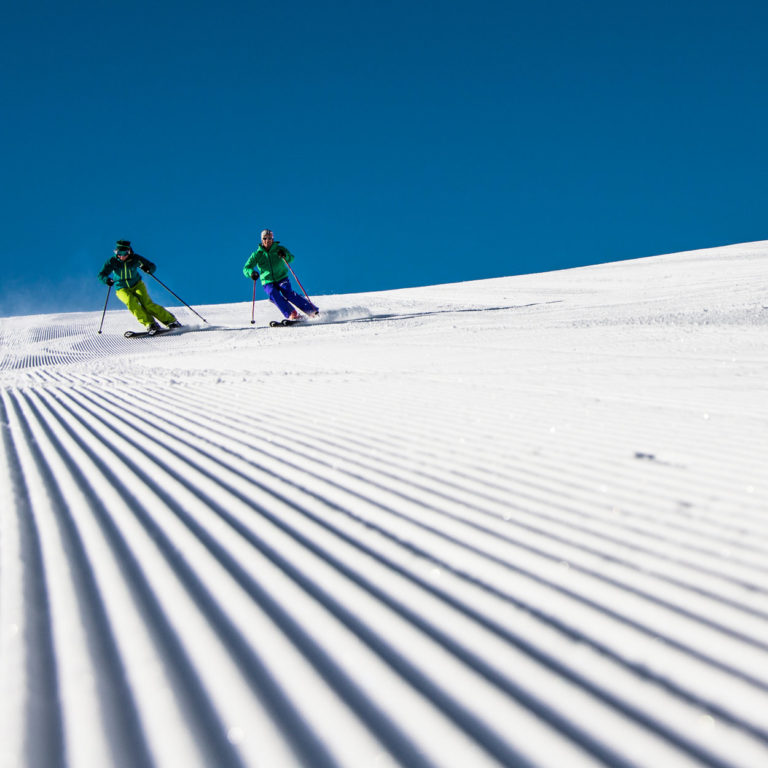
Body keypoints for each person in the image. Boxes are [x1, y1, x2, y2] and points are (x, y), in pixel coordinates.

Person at [98, 240, 182, 334]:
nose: (122, 256)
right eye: (119, 253)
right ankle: (150, 324)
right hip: (121, 287)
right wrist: (106, 280)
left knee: (147, 304)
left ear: (129, 251)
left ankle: (171, 321)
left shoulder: (135, 258)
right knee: (131, 303)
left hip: (137, 284)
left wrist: (148, 269)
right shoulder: (112, 261)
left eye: (125, 253)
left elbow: (152, 266)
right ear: (116, 252)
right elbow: (101, 274)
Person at [243, 229, 319, 321]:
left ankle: (311, 310)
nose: (268, 240)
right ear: (262, 240)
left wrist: (285, 255)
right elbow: (246, 268)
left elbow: (291, 258)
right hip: (267, 281)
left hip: (281, 277)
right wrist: (251, 273)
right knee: (273, 293)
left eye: (270, 238)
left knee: (287, 292)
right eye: (265, 238)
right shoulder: (257, 254)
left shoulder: (279, 249)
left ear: (273, 239)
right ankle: (292, 314)